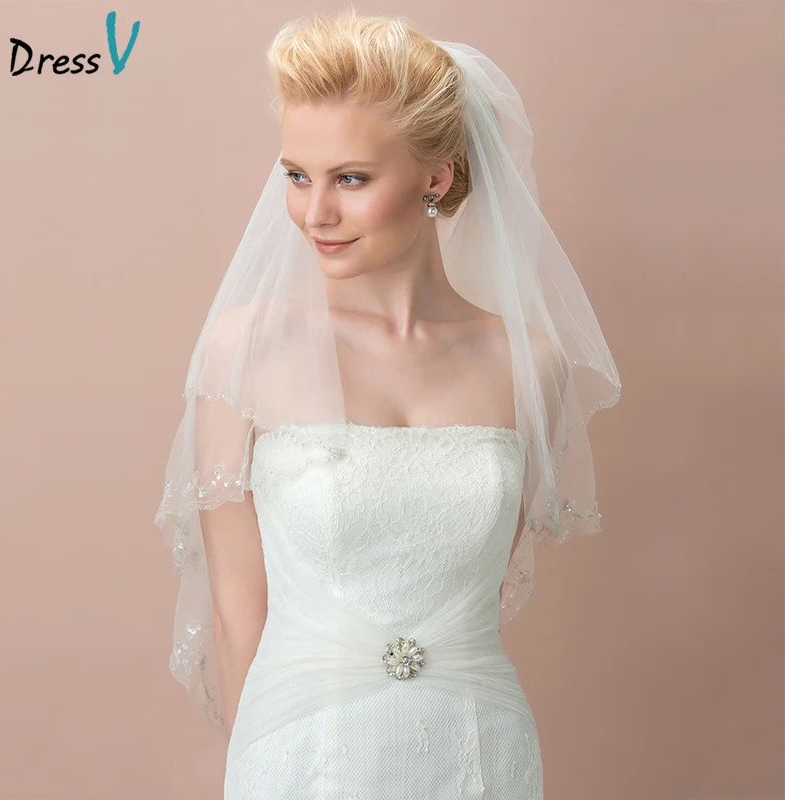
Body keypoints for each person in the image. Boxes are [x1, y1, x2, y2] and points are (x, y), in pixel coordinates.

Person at [153, 10, 621, 799]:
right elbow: (240, 616)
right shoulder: (247, 350)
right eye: (297, 175)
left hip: (480, 753)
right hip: (301, 756)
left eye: (351, 179)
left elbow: (475, 590)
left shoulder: (530, 364)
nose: (314, 213)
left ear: (435, 178)